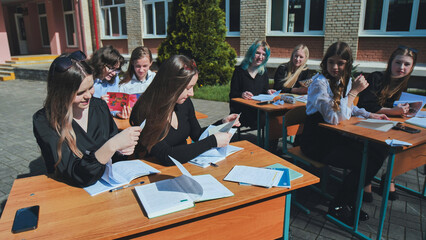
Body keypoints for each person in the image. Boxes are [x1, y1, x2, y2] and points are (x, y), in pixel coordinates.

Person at [300, 42, 390, 226]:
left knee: (377, 152)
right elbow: (334, 117)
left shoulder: (343, 79)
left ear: (347, 64)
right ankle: (339, 205)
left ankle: (347, 200)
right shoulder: (319, 83)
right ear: (325, 62)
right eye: (331, 62)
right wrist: (353, 93)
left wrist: (369, 114)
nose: (335, 67)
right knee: (365, 160)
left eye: (340, 63)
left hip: (333, 139)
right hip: (315, 143)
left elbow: (348, 107)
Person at [33, 51, 141, 187]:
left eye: (91, 87)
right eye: (80, 92)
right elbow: (76, 175)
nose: (89, 96)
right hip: (69, 192)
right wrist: (112, 145)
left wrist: (121, 149)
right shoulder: (45, 120)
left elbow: (114, 155)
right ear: (61, 93)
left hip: (106, 186)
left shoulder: (100, 106)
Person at [129, 55, 240, 166]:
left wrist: (222, 124)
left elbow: (197, 134)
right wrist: (212, 141)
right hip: (156, 171)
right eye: (187, 88)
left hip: (184, 165)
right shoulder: (145, 111)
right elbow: (166, 156)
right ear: (172, 85)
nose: (192, 93)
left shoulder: (183, 103)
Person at [358, 46, 418, 202]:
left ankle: (390, 176)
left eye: (406, 64)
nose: (401, 68)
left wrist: (405, 111)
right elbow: (366, 106)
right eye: (398, 63)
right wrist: (394, 111)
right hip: (363, 124)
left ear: (411, 67)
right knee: (381, 145)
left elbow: (395, 108)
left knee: (407, 143)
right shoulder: (376, 78)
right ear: (391, 62)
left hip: (386, 125)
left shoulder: (402, 84)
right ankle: (365, 180)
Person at [229, 40, 275, 129]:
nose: (260, 57)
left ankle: (266, 142)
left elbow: (264, 92)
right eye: (257, 53)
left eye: (264, 54)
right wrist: (242, 94)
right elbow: (232, 94)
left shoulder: (263, 72)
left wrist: (269, 92)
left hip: (258, 111)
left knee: (275, 119)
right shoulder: (239, 71)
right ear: (251, 53)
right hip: (243, 111)